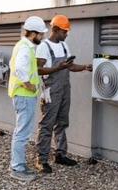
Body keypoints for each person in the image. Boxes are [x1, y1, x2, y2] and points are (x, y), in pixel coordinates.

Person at [35, 14, 92, 173]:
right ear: (55, 29)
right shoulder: (43, 47)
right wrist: (57, 68)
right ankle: (42, 159)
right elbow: (38, 69)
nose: (66, 34)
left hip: (65, 88)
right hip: (51, 89)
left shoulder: (64, 46)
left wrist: (85, 67)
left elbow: (70, 66)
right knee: (47, 124)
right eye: (64, 32)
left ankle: (60, 154)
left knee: (62, 122)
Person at [8, 16, 48, 181]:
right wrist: (28, 84)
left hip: (25, 95)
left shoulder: (25, 46)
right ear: (33, 33)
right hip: (24, 95)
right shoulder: (25, 47)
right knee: (22, 132)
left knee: (22, 131)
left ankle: (19, 164)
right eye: (41, 34)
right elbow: (20, 68)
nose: (43, 37)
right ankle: (17, 168)